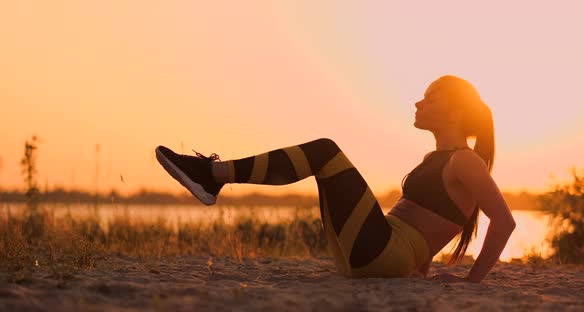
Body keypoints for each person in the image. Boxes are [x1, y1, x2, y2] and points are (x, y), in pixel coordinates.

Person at [155, 75, 516, 283]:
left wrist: (471, 285)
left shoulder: (465, 161)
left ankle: (214, 175)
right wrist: (420, 268)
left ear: (455, 110)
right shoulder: (434, 160)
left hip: (384, 255)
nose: (419, 104)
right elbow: (427, 226)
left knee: (326, 152)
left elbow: (504, 221)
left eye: (430, 99)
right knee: (324, 164)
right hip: (371, 256)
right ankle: (212, 177)